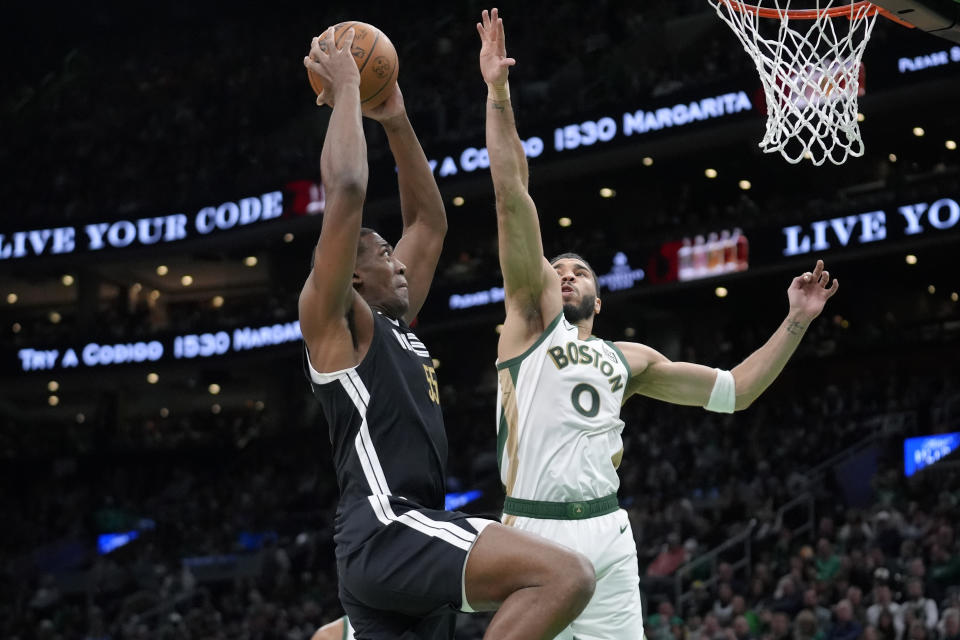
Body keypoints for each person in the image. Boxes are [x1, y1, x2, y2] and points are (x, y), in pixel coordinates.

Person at [477, 8, 840, 639]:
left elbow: (735, 391)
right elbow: (512, 194)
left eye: (581, 272)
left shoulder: (631, 359)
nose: (567, 275)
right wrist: (499, 94)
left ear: (601, 297)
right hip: (531, 529)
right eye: (556, 268)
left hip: (609, 533)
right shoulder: (528, 326)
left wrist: (796, 322)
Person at [300, 28, 595, 640]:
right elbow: (348, 191)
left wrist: (397, 119)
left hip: (401, 547)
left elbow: (429, 222)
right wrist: (350, 89)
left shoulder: (391, 325)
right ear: (351, 273)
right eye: (385, 254)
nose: (401, 262)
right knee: (565, 578)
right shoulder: (336, 322)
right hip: (388, 527)